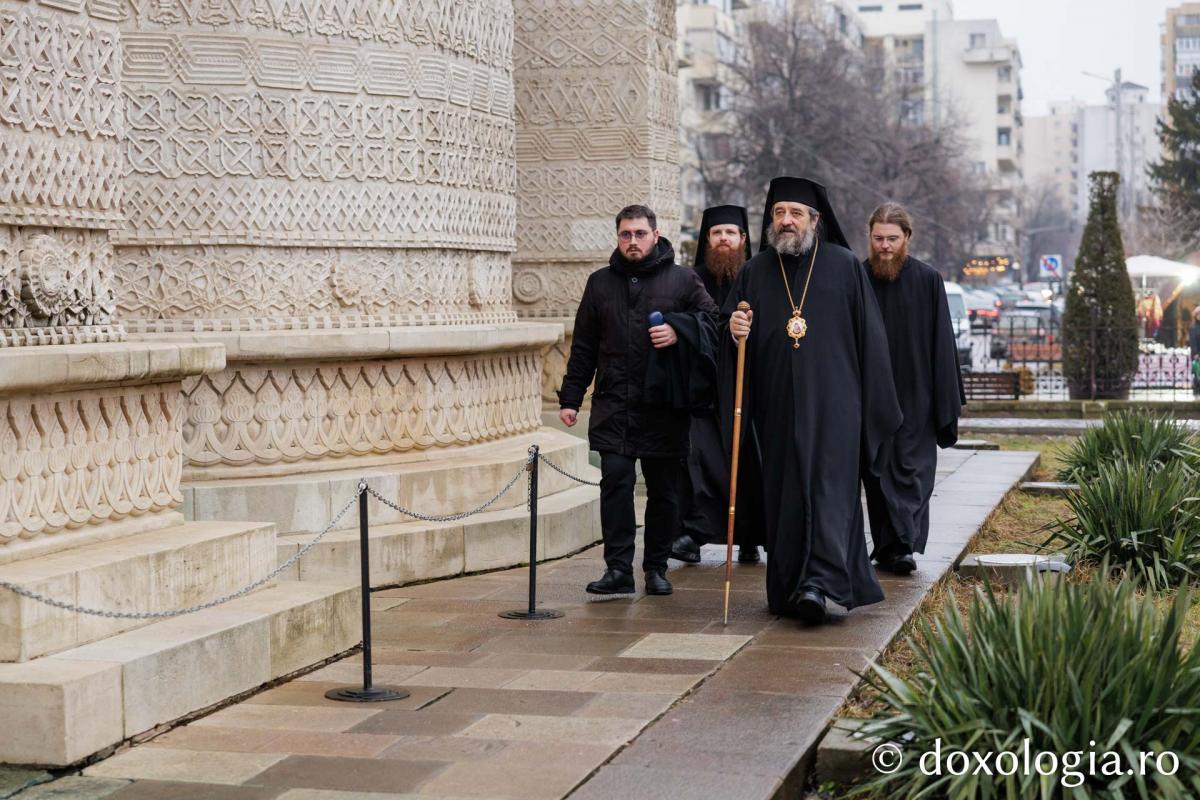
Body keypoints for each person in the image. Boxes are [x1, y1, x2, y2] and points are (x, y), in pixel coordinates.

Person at [724, 177, 901, 624]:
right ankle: (790, 586)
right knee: (786, 496)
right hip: (777, 409)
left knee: (828, 493)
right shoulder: (755, 272)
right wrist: (734, 331)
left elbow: (871, 341)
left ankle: (819, 584)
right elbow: (730, 336)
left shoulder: (844, 266)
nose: (786, 220)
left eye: (796, 213)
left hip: (836, 407)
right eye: (779, 212)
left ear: (815, 220)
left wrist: (873, 408)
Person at [559, 205, 719, 597]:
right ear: (618, 237)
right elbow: (584, 346)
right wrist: (571, 398)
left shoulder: (683, 280)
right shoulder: (600, 283)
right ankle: (618, 569)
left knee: (663, 491)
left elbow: (712, 323)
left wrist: (678, 329)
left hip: (664, 405)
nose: (633, 241)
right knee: (615, 482)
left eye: (640, 234)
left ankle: (656, 568)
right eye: (626, 234)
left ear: (655, 235)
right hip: (614, 402)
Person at [860, 202, 964, 575]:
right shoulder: (858, 278)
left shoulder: (927, 279)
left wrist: (945, 401)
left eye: (892, 239)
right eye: (878, 239)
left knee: (914, 473)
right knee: (877, 475)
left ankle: (904, 544)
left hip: (917, 395)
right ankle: (888, 546)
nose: (885, 246)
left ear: (907, 237)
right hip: (872, 396)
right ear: (870, 237)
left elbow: (942, 342)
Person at [671, 205, 765, 566]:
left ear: (743, 238)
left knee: (749, 465)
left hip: (748, 389)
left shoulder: (758, 277)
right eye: (716, 233)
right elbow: (685, 322)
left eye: (730, 233)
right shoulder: (690, 280)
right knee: (699, 464)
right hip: (704, 389)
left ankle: (749, 537)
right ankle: (694, 535)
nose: (723, 239)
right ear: (706, 240)